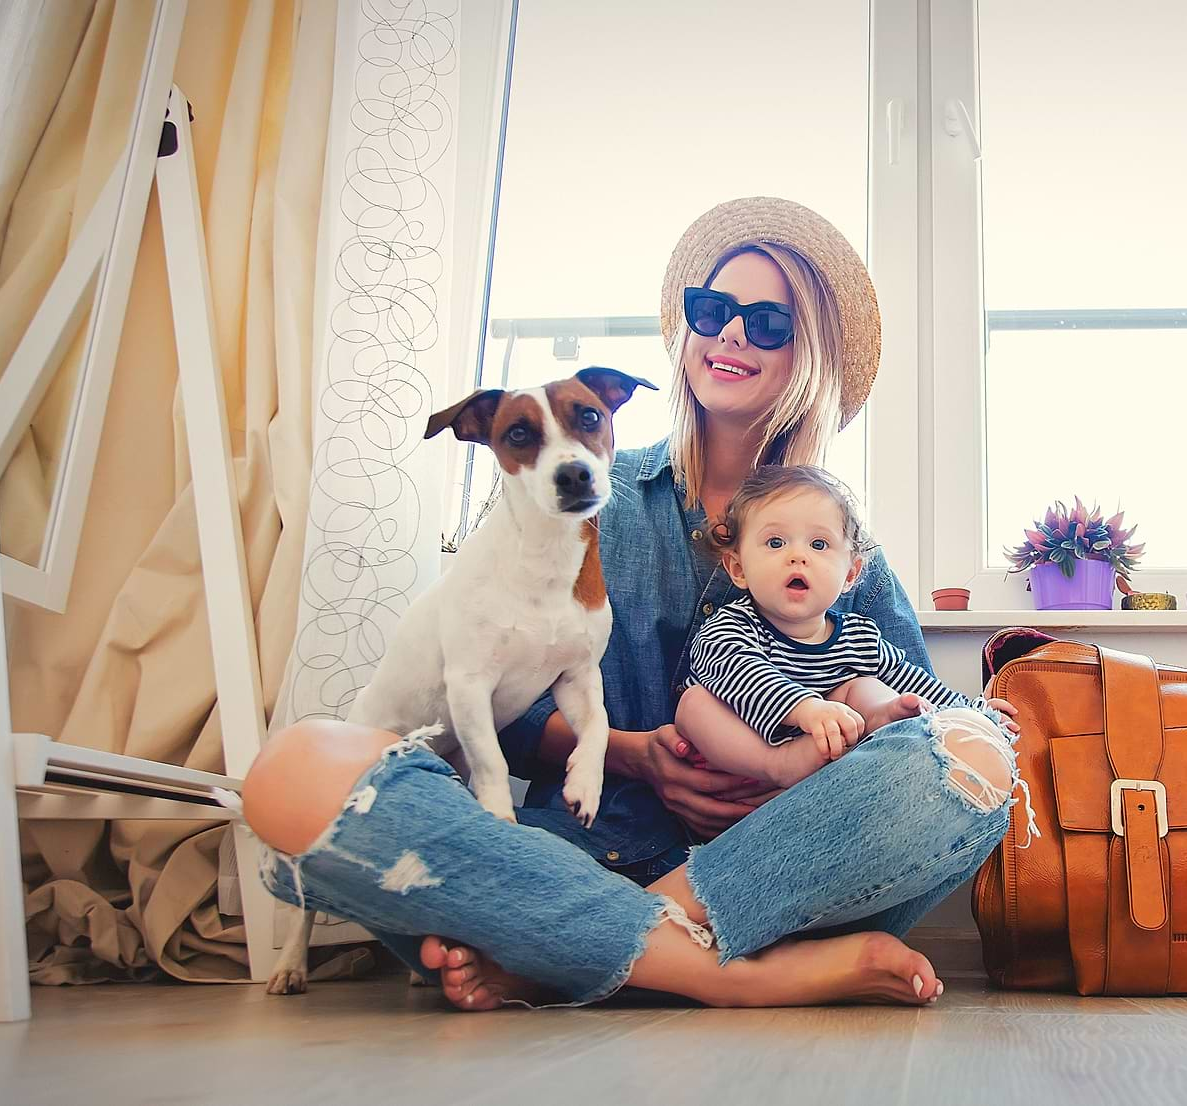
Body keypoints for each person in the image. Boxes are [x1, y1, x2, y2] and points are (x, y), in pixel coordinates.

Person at [241, 198, 1024, 1010]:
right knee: (300, 771)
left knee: (973, 762)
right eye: (713, 311)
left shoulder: (849, 551)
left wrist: (798, 771)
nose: (728, 336)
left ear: (813, 355)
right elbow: (486, 707)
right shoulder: (577, 497)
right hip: (580, 849)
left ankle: (584, 947)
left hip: (787, 872)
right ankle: (718, 970)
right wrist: (628, 752)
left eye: (765, 323)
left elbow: (922, 729)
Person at [677, 463, 1016, 789]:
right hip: (740, 764)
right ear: (738, 569)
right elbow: (745, 674)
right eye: (776, 543)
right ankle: (778, 763)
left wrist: (971, 714)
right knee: (694, 703)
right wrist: (806, 709)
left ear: (850, 575)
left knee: (864, 684)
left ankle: (881, 719)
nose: (798, 556)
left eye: (819, 544)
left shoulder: (858, 637)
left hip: (821, 757)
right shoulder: (728, 628)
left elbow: (915, 680)